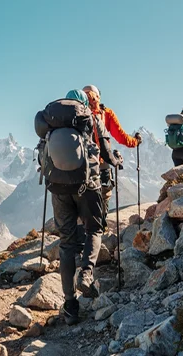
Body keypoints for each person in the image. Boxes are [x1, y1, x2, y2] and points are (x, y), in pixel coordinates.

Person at [40, 89, 121, 326]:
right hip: (87, 186)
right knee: (94, 229)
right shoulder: (92, 118)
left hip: (59, 189)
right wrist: (116, 161)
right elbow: (106, 152)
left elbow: (42, 155)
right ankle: (86, 273)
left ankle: (70, 306)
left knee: (67, 243)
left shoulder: (52, 124)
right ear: (84, 104)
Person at [82, 85, 141, 204]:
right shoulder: (106, 114)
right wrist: (135, 141)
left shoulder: (76, 113)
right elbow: (121, 137)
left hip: (79, 163)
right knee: (103, 198)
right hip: (101, 162)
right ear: (98, 97)